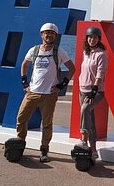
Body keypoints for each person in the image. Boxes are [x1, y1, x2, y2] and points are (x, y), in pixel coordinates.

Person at [17, 22, 75, 162]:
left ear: (55, 36)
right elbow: (24, 65)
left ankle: (44, 150)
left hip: (50, 94)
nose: (49, 35)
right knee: (21, 119)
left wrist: (61, 86)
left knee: (47, 123)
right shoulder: (34, 50)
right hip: (32, 92)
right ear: (42, 34)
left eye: (52, 33)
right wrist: (25, 83)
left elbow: (72, 69)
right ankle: (19, 145)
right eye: (46, 33)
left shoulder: (59, 52)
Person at [76, 26, 108, 161]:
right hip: (82, 90)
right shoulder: (86, 52)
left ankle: (83, 139)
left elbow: (100, 73)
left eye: (94, 37)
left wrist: (94, 90)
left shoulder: (101, 54)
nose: (92, 39)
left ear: (99, 39)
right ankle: (94, 150)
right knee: (91, 121)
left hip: (95, 92)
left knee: (85, 109)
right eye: (89, 37)